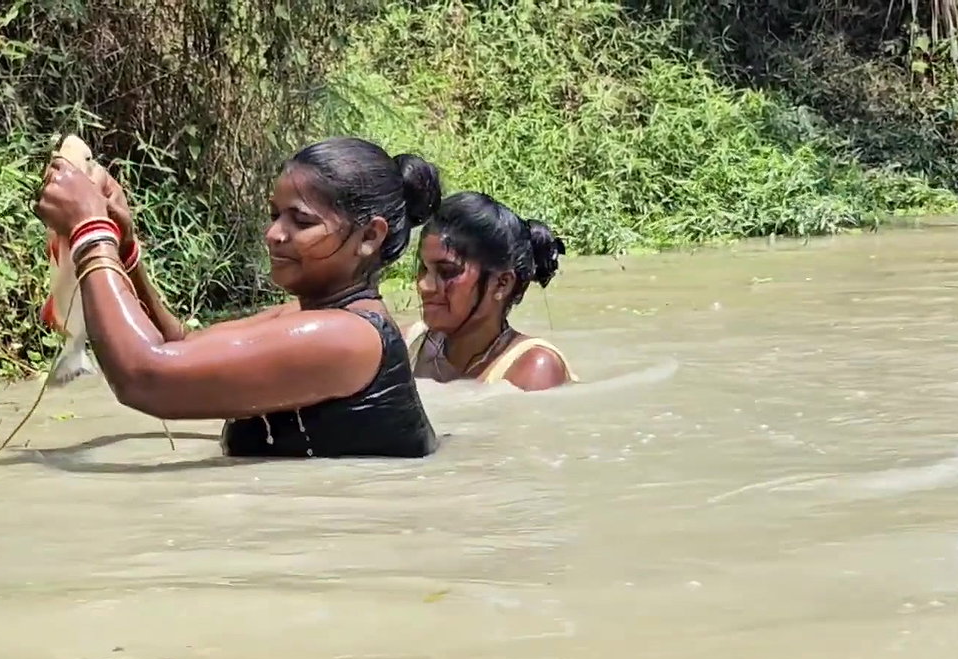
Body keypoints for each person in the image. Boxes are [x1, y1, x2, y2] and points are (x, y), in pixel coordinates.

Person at [32, 136, 442, 458]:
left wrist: (90, 229)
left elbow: (147, 378)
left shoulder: (347, 337)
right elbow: (182, 347)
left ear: (370, 236)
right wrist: (123, 247)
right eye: (274, 215)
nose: (273, 234)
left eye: (300, 221)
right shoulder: (307, 317)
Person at [405, 192, 577, 391]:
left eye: (447, 272)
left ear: (502, 284)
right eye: (424, 268)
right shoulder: (408, 345)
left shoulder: (533, 368)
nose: (424, 285)